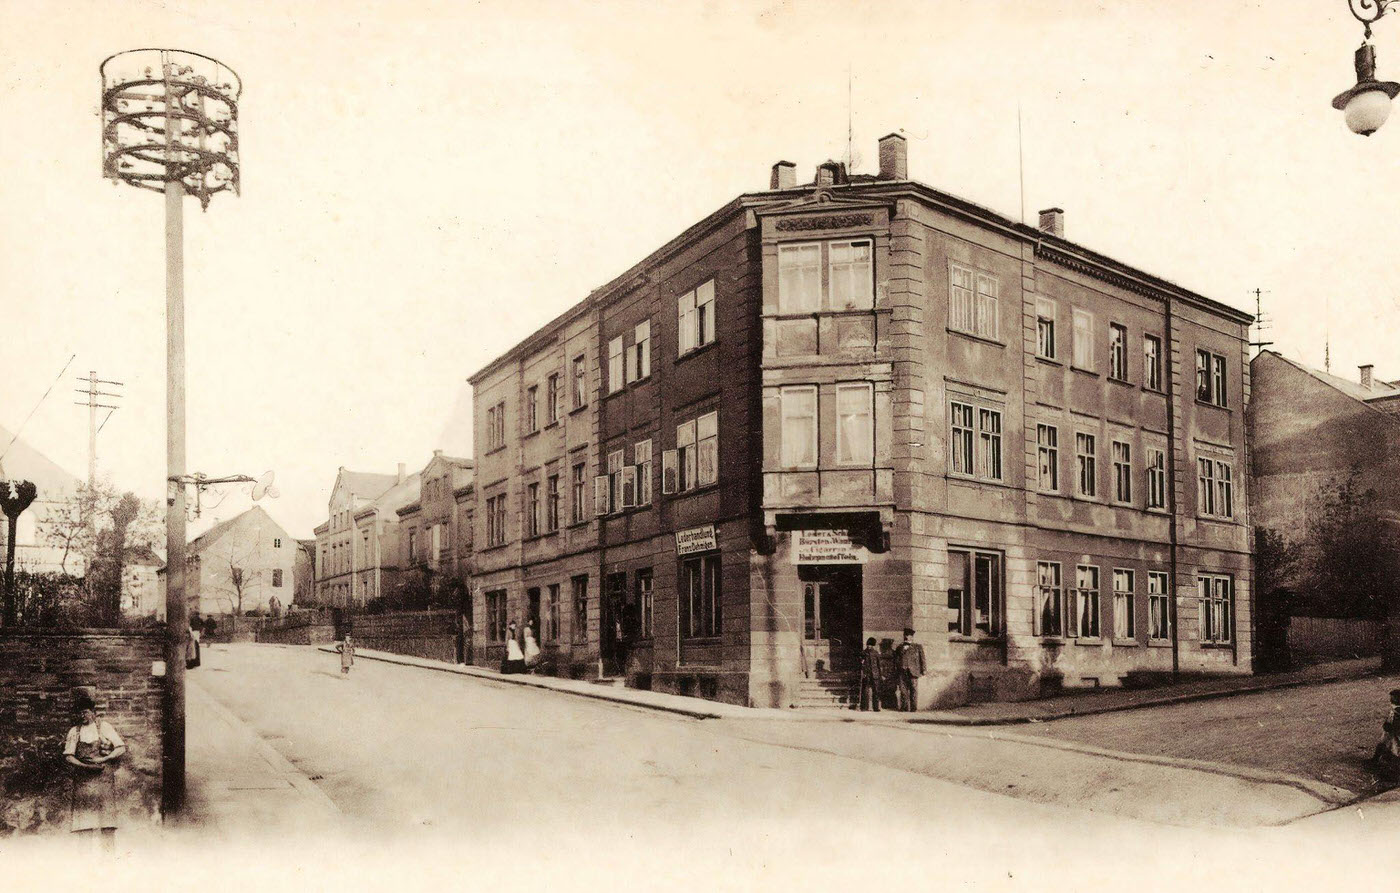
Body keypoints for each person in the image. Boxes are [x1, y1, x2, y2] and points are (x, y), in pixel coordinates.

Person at [63, 692, 126, 849]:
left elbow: (121, 747)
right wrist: (85, 766)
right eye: (79, 713)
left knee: (107, 822)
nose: (82, 716)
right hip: (84, 781)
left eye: (85, 712)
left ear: (93, 712)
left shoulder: (103, 727)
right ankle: (85, 864)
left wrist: (104, 759)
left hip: (103, 779)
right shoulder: (74, 731)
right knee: (84, 822)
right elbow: (69, 756)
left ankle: (109, 861)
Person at [893, 627, 926, 712]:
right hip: (902, 671)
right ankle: (904, 707)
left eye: (909, 635)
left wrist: (924, 669)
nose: (907, 637)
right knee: (903, 689)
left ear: (912, 637)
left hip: (913, 671)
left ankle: (913, 708)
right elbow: (896, 659)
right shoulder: (899, 647)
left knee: (913, 689)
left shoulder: (917, 647)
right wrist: (896, 669)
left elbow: (922, 659)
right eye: (906, 635)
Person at [1373, 688, 1400, 778]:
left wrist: (1390, 727)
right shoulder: (1395, 708)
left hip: (1395, 732)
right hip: (1391, 731)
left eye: (1394, 697)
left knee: (1395, 749)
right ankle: (1376, 760)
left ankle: (1393, 772)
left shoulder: (1398, 710)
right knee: (1384, 743)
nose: (1391, 699)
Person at [858, 637, 883, 712]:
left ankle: (876, 707)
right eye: (868, 644)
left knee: (876, 691)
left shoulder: (876, 653)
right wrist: (861, 662)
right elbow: (860, 663)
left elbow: (879, 665)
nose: (869, 646)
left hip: (875, 674)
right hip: (866, 674)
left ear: (873, 645)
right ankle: (864, 707)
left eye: (870, 645)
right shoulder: (863, 653)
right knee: (865, 691)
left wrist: (880, 674)